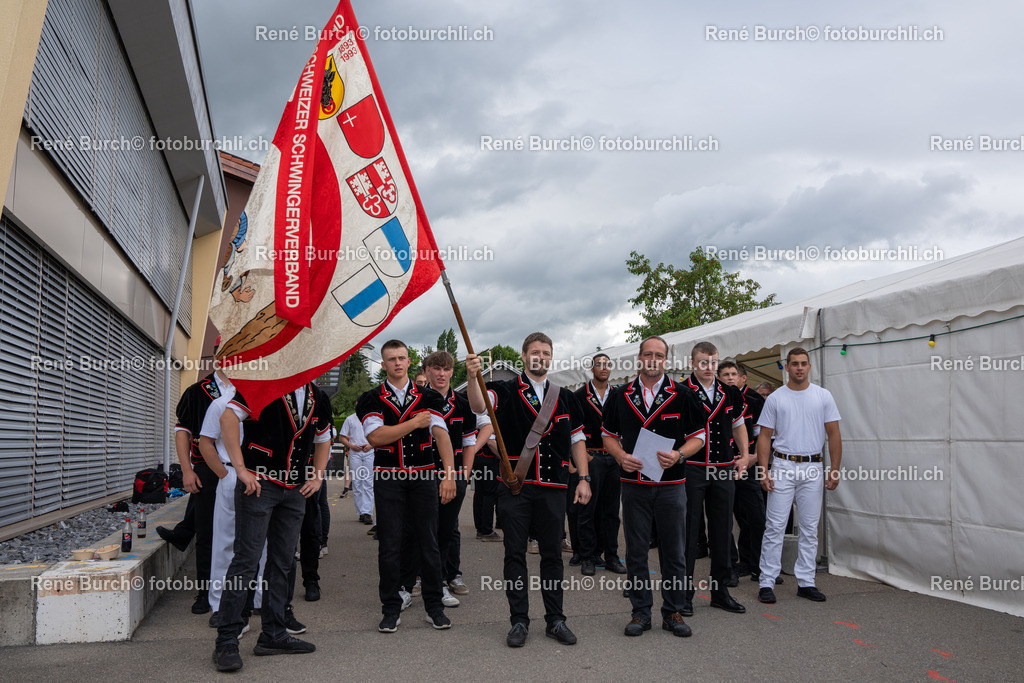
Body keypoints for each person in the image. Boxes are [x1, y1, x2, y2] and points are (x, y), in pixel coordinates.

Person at [466, 332, 592, 648]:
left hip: (553, 488)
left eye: (545, 352)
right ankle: (519, 621)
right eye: (535, 351)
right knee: (515, 555)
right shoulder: (504, 390)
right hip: (515, 487)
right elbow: (479, 404)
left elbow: (578, 440)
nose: (540, 356)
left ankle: (556, 620)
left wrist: (585, 479)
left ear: (551, 357)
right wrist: (472, 377)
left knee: (552, 555)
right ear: (524, 356)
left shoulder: (565, 397)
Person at [212, 382, 333, 672]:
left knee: (282, 562)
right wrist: (240, 470)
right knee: (245, 561)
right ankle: (227, 640)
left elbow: (323, 437)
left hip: (294, 490)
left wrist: (317, 477)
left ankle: (274, 635)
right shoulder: (266, 384)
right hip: (258, 485)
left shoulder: (319, 396)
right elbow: (228, 417)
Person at [602, 336, 707, 638]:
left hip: (672, 485)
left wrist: (678, 455)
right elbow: (607, 435)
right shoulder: (620, 395)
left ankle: (673, 611)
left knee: (674, 550)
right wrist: (621, 456)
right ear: (639, 358)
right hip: (633, 484)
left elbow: (699, 437)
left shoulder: (684, 394)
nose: (653, 360)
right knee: (635, 550)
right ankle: (640, 612)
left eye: (658, 355)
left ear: (665, 360)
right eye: (647, 354)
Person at [356, 340, 458, 634]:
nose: (397, 363)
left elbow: (441, 436)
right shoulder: (371, 398)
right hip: (388, 477)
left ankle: (434, 607)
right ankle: (390, 608)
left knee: (429, 542)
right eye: (391, 359)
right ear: (383, 364)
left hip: (425, 476)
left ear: (409, 361)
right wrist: (414, 423)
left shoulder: (429, 396)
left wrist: (448, 475)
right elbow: (376, 437)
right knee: (389, 544)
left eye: (402, 358)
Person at [400, 350, 492, 606]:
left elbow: (470, 441)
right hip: (419, 476)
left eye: (446, 369)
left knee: (445, 532)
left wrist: (464, 476)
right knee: (416, 530)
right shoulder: (413, 400)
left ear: (452, 372)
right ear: (426, 371)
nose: (441, 374)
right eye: (436, 369)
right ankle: (410, 581)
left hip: (452, 477)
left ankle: (440, 582)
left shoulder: (463, 404)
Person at [756, 348, 842, 605]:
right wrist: (764, 469)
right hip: (782, 465)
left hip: (813, 467)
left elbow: (834, 435)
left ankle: (806, 581)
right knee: (775, 526)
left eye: (804, 363)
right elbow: (763, 436)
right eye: (794, 364)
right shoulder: (775, 398)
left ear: (809, 366)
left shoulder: (823, 396)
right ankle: (766, 582)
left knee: (809, 527)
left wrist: (835, 468)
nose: (800, 368)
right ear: (786, 366)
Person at [681, 342, 750, 617]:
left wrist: (744, 455)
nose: (708, 368)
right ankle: (683, 594)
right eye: (703, 363)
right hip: (692, 468)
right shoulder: (680, 391)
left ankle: (720, 592)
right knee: (687, 533)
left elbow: (738, 425)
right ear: (692, 363)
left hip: (723, 468)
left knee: (722, 531)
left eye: (713, 363)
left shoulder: (729, 392)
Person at [159, 371, 227, 614]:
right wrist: (187, 470)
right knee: (207, 532)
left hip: (242, 470)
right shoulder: (198, 391)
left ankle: (240, 592)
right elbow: (182, 432)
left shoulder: (250, 385)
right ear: (218, 355)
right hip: (206, 469)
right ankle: (205, 591)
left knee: (243, 533)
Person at [718, 361, 770, 585]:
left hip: (748, 466)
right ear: (719, 377)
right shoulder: (712, 399)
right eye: (726, 374)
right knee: (723, 519)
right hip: (721, 466)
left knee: (756, 517)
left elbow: (765, 437)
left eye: (734, 374)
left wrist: (752, 458)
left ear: (742, 377)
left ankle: (758, 564)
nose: (730, 378)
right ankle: (729, 565)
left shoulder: (755, 401)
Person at [574, 353, 626, 576]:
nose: (603, 368)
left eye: (607, 364)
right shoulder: (579, 395)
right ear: (592, 368)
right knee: (588, 509)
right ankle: (588, 556)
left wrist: (623, 453)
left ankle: (611, 556)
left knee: (612, 511)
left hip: (614, 459)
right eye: (599, 364)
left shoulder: (619, 394)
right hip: (592, 457)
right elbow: (573, 429)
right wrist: (581, 456)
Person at [339, 412, 374, 526]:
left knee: (368, 482)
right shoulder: (350, 419)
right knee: (358, 481)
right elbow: (342, 437)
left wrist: (371, 445)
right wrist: (352, 446)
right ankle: (361, 511)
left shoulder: (372, 418)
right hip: (355, 452)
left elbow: (380, 435)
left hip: (369, 452)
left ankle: (368, 512)